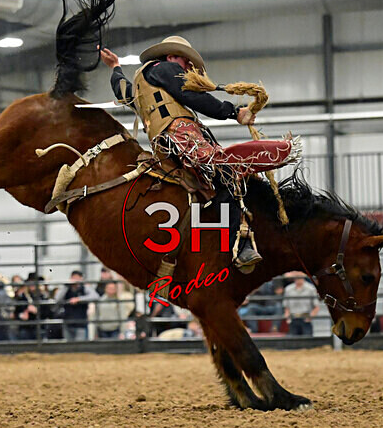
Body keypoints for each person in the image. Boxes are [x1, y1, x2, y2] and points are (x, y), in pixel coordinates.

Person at [102, 38, 294, 271]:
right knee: (226, 174)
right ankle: (240, 244)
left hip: (164, 149)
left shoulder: (143, 85)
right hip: (182, 139)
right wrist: (233, 112)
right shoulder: (164, 68)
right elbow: (192, 96)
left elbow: (122, 91)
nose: (187, 69)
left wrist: (115, 68)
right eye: (186, 61)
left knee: (212, 184)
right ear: (172, 56)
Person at [56, 270, 98, 342]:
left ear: (81, 279)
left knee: (80, 347)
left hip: (80, 324)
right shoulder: (66, 288)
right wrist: (66, 286)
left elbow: (95, 296)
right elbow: (57, 299)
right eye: (73, 277)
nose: (75, 280)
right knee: (68, 347)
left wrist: (79, 299)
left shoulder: (84, 288)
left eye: (77, 278)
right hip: (67, 323)